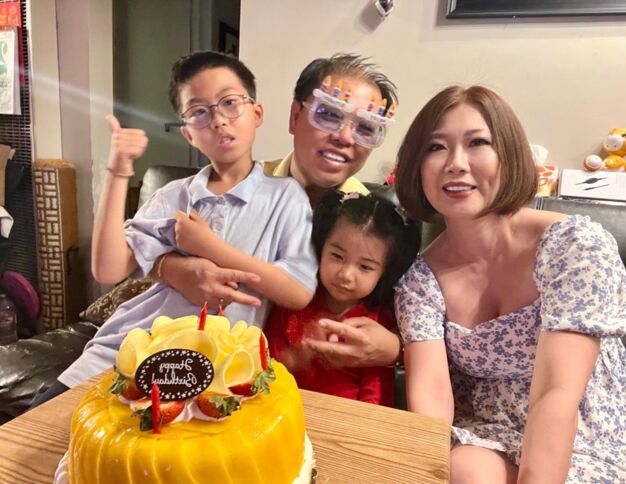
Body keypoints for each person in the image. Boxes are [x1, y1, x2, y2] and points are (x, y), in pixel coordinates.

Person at [35, 51, 318, 403]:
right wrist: (119, 171)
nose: (218, 120)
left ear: (257, 113)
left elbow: (298, 290)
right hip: (126, 354)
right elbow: (108, 269)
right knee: (39, 423)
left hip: (212, 372)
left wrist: (209, 247)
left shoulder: (285, 196)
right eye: (199, 112)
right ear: (188, 133)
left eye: (230, 102)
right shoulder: (174, 195)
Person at [394, 85, 626, 482]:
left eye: (477, 143)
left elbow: (557, 394)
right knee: (463, 470)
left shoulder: (574, 247)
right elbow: (431, 399)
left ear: (508, 155)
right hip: (488, 435)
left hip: (588, 437)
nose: (456, 163)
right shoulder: (419, 282)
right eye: (436, 147)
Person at [159, 53, 404, 369]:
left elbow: (398, 318)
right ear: (294, 116)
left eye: (366, 127)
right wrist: (171, 269)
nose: (345, 137)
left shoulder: (371, 225)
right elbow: (145, 250)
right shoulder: (233, 186)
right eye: (329, 114)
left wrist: (395, 349)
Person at [265, 190, 420, 406]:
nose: (346, 274)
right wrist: (292, 358)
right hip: (283, 405)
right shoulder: (297, 299)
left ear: (384, 273)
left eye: (365, 267)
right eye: (337, 256)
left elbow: (376, 389)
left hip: (347, 415)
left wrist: (361, 420)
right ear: (321, 247)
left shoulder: (377, 323)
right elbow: (265, 359)